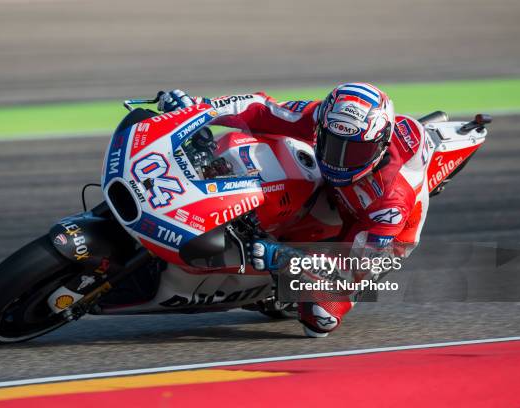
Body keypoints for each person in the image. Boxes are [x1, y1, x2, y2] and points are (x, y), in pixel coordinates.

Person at [157, 84, 430, 337]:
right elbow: (260, 108)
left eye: (355, 152)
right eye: (334, 145)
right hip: (337, 192)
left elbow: (355, 267)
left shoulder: (390, 202)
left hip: (376, 236)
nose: (340, 161)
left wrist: (287, 258)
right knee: (269, 148)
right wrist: (198, 108)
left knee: (321, 320)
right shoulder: (324, 116)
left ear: (379, 148)